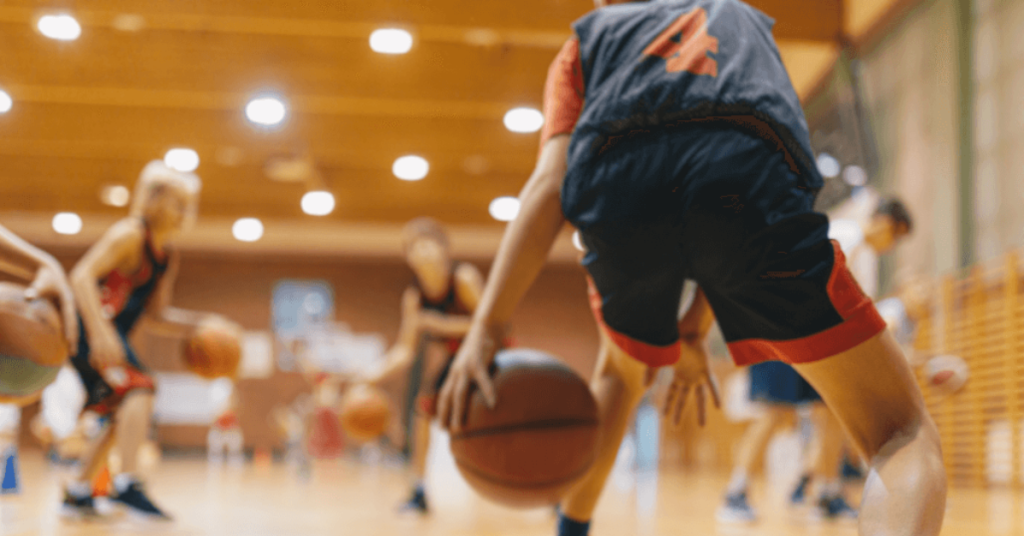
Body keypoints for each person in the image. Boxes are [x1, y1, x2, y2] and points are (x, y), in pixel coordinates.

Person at [437, 2, 946, 536]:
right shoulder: (740, 21)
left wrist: (488, 327)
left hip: (621, 194)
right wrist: (694, 326)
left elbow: (549, 186)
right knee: (901, 430)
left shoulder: (587, 42)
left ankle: (572, 528)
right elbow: (735, 178)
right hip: (748, 189)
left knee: (620, 371)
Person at [718, 197, 915, 523]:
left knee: (832, 414)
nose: (891, 246)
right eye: (894, 236)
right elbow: (826, 293)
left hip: (816, 339)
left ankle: (826, 492)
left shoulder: (866, 258)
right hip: (781, 329)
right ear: (882, 221)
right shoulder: (843, 235)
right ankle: (735, 493)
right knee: (776, 414)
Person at [62, 161, 239, 521]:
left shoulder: (166, 255)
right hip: (85, 328)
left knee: (118, 412)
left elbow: (158, 316)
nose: (184, 212)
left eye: (188, 205)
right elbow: (80, 276)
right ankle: (127, 483)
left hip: (110, 335)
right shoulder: (129, 233)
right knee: (140, 388)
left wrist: (203, 323)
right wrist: (99, 332)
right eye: (178, 203)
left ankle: (79, 492)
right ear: (154, 199)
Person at [362, 217, 485, 514]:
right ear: (409, 258)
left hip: (489, 354)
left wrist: (442, 325)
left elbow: (491, 325)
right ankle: (419, 490)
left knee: (513, 422)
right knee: (422, 409)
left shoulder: (464, 278)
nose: (423, 252)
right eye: (415, 248)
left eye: (429, 244)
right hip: (457, 361)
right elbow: (405, 351)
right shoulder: (414, 297)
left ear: (445, 250)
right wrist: (368, 376)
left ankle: (553, 494)